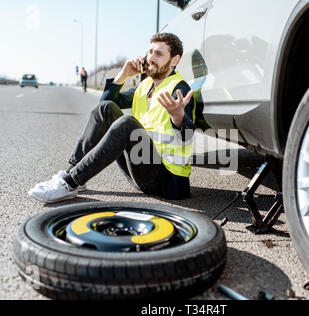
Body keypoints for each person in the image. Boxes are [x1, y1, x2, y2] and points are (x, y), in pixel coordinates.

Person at [28, 33, 195, 203]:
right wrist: (122, 75)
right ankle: (71, 176)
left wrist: (178, 117)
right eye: (150, 52)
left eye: (159, 54)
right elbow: (103, 105)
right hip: (139, 169)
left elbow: (187, 136)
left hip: (165, 180)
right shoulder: (144, 87)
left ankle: (70, 183)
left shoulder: (179, 89)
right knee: (106, 108)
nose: (151, 57)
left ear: (175, 60)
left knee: (126, 123)